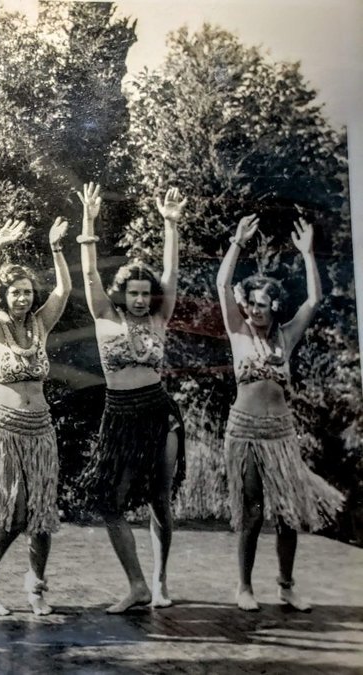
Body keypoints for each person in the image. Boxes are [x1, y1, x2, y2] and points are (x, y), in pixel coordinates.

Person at [216, 215, 344, 612]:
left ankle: (286, 586)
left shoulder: (285, 336)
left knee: (288, 513)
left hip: (281, 434)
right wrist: (237, 243)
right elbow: (221, 285)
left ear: (274, 306)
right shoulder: (238, 332)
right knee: (252, 513)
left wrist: (308, 254)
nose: (255, 310)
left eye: (263, 304)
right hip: (245, 432)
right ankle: (244, 587)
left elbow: (314, 301)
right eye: (251, 303)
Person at [77, 183, 187, 613]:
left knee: (160, 498)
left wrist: (170, 224)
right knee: (112, 502)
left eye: (146, 293)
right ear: (122, 293)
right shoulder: (105, 315)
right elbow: (89, 275)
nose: (141, 299)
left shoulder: (160, 317)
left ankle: (160, 582)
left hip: (159, 414)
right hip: (120, 417)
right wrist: (88, 222)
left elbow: (171, 273)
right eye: (134, 293)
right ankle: (137, 584)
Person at [0, 217, 71, 617]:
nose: (23, 299)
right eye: (16, 292)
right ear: (3, 296)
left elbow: (63, 290)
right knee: (12, 511)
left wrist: (57, 249)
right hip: (5, 429)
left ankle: (37, 587)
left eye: (28, 292)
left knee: (42, 514)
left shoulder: (41, 324)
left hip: (40, 430)